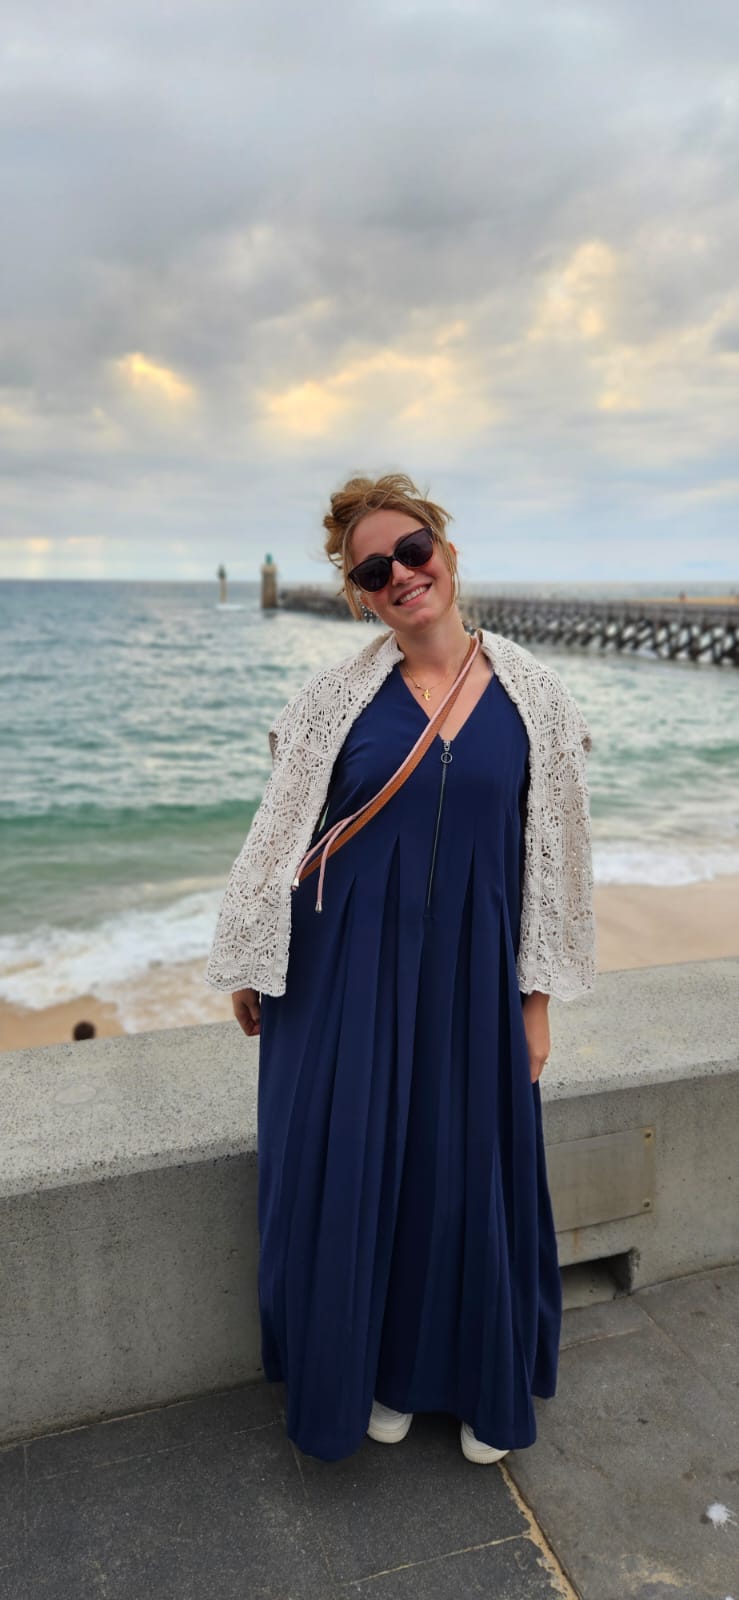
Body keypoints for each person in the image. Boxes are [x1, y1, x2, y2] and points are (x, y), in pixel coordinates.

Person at [207, 472, 595, 1465]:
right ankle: (374, 1374)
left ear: (446, 554)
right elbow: (279, 833)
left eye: (412, 551)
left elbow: (555, 861)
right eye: (374, 569)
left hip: (473, 973)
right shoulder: (335, 697)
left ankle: (469, 1382)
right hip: (344, 971)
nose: (401, 576)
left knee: (463, 1172)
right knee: (358, 1168)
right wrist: (251, 953)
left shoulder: (536, 697)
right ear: (359, 594)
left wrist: (536, 1000)